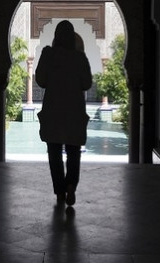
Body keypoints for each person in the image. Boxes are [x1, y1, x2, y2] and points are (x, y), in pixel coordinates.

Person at [35, 20, 92, 205]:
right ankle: (70, 186)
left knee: (54, 152)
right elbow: (87, 84)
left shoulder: (48, 54)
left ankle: (59, 191)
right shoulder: (79, 58)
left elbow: (41, 80)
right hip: (74, 111)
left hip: (53, 111)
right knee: (74, 152)